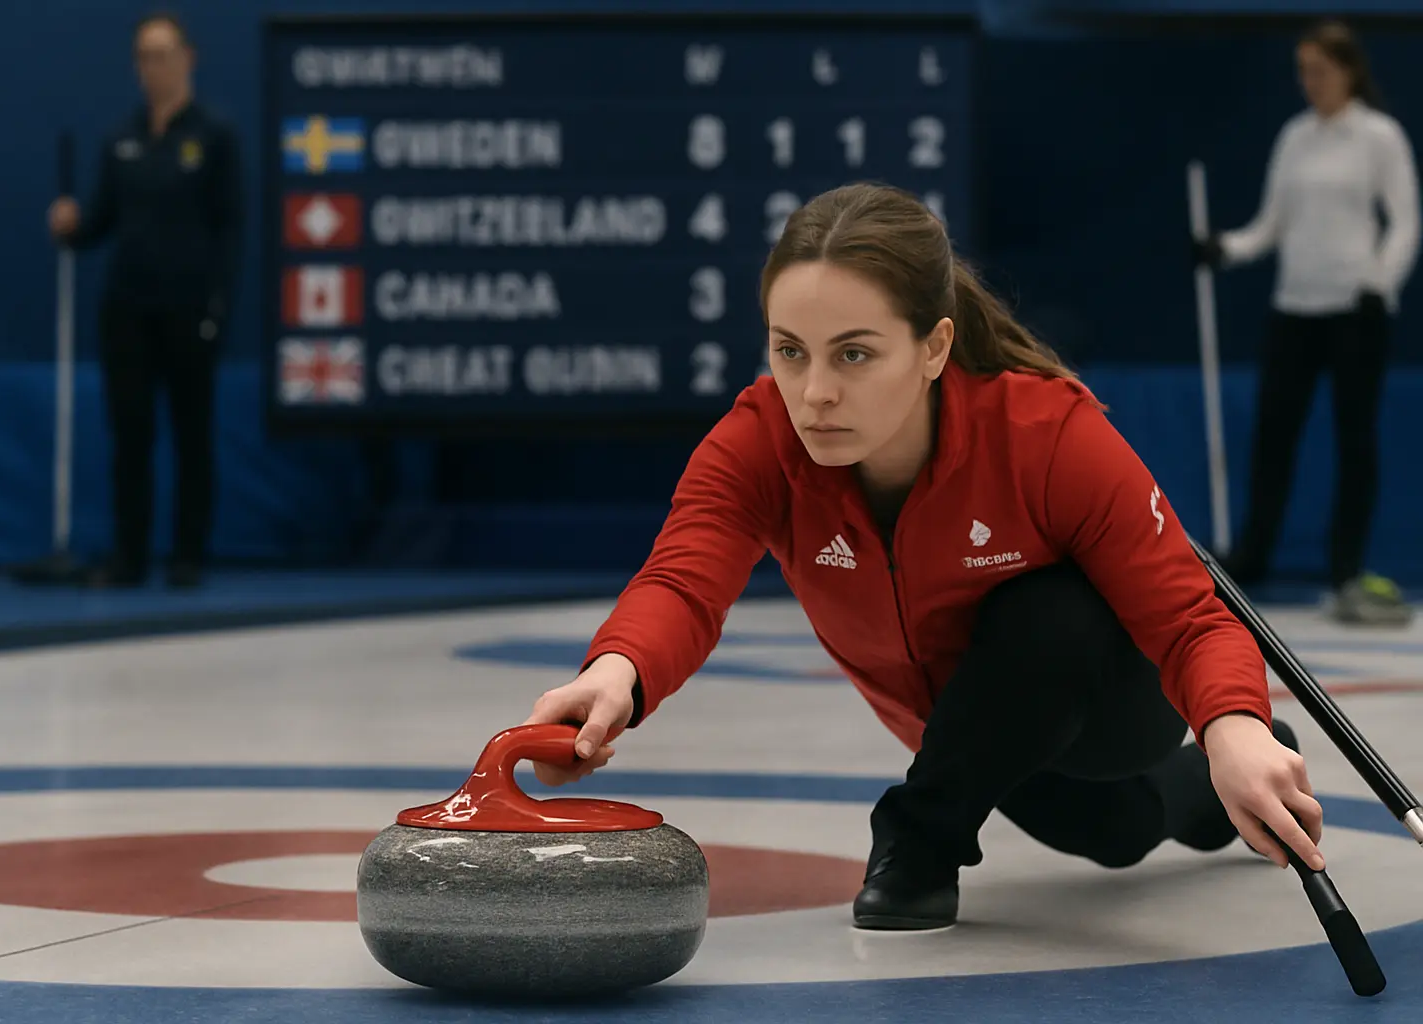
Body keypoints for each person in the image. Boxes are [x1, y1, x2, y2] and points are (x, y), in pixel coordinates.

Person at [516, 182, 1324, 932]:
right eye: (790, 351)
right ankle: (1223, 789)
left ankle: (919, 844)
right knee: (1114, 834)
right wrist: (616, 669)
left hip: (1113, 690)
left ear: (935, 347)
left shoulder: (1048, 436)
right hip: (963, 731)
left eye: (854, 354)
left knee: (1047, 612)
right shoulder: (759, 442)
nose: (816, 391)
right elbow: (683, 582)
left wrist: (1232, 724)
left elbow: (1188, 618)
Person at [1195, 19, 1418, 625]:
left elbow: (1405, 222)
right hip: (1295, 305)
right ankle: (1255, 553)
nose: (1309, 82)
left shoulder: (1380, 137)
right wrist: (1228, 248)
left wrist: (1379, 282)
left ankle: (1344, 565)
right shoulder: (1296, 136)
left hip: (1356, 311)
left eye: (1319, 70)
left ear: (1348, 70)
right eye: (1303, 71)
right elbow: (1273, 223)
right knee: (1274, 434)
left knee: (1354, 439)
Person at [48, 11, 243, 589]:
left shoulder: (214, 136)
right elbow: (100, 221)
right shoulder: (123, 138)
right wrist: (71, 226)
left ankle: (187, 554)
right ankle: (129, 556)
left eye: (163, 54)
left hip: (188, 311)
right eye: (144, 57)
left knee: (191, 436)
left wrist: (218, 307)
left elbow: (230, 230)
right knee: (130, 437)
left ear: (188, 58)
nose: (153, 67)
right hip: (127, 312)